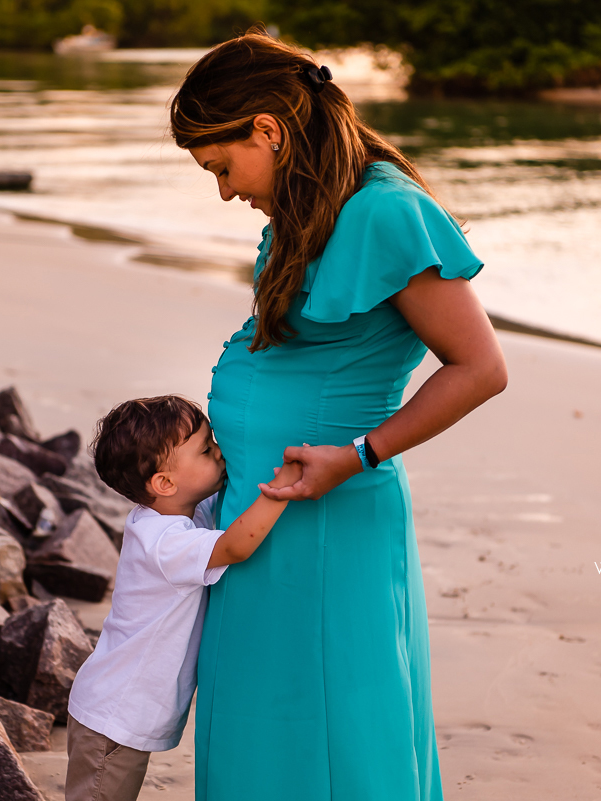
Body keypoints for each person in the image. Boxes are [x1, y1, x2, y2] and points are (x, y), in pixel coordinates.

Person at [169, 31, 509, 800]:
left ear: (268, 129)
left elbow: (482, 367)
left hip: (329, 517)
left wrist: (356, 455)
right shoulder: (309, 208)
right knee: (267, 721)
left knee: (334, 730)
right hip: (264, 515)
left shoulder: (386, 211)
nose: (223, 190)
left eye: (222, 167)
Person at [66, 395, 303, 801]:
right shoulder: (165, 543)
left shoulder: (177, 512)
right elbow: (235, 546)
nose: (220, 452)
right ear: (165, 483)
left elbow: (224, 512)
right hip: (113, 718)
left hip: (117, 712)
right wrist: (278, 490)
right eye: (208, 450)